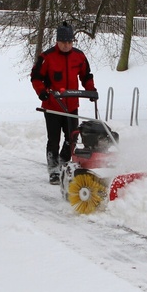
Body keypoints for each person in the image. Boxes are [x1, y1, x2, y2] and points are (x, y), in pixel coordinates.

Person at [31, 22, 98, 184]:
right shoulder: (47, 58)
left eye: (70, 42)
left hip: (71, 106)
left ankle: (63, 160)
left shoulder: (79, 56)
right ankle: (53, 170)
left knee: (72, 139)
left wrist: (91, 90)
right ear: (57, 41)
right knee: (53, 140)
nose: (67, 45)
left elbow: (86, 75)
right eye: (64, 42)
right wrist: (42, 92)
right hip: (53, 107)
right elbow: (36, 78)